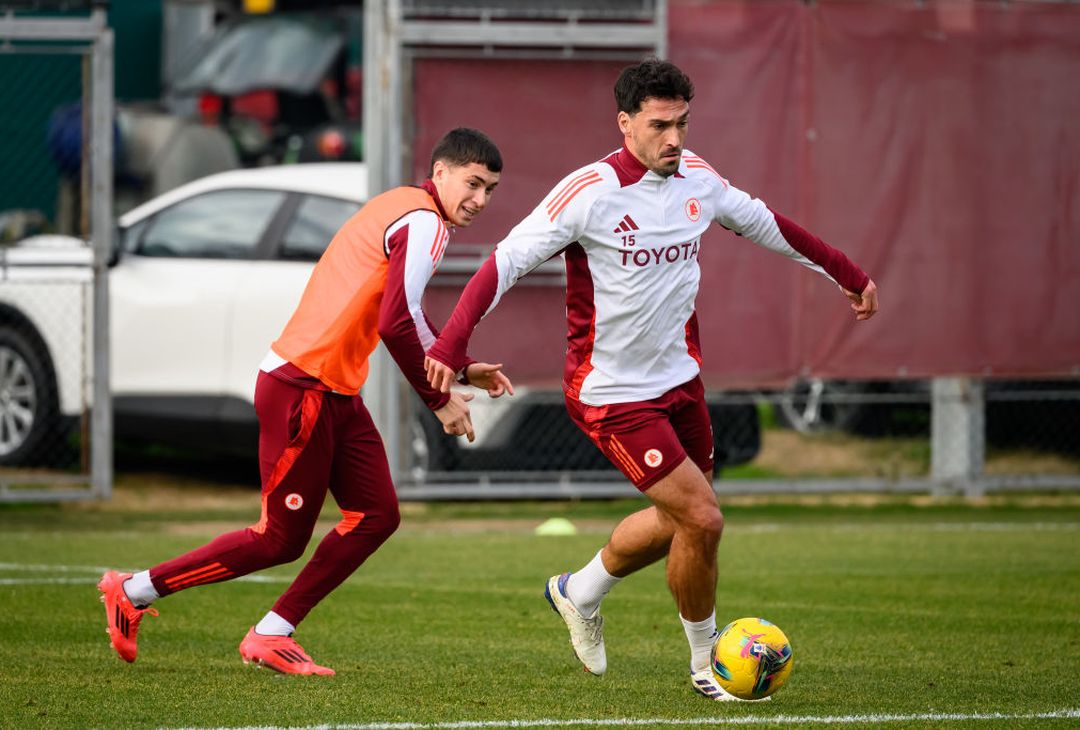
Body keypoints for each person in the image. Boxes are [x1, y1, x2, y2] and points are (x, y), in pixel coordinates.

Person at [424, 60, 878, 700]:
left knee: (684, 519)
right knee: (704, 519)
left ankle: (577, 590)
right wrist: (452, 340)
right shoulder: (589, 191)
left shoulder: (699, 179)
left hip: (680, 383)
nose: (675, 138)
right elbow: (505, 262)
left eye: (683, 123)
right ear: (626, 123)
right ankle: (706, 667)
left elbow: (772, 226)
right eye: (660, 125)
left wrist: (848, 274)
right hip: (609, 392)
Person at [98, 128, 513, 676]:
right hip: (303, 387)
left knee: (376, 515)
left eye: (490, 191)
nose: (480, 201)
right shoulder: (425, 220)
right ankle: (134, 590)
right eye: (473, 184)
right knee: (278, 539)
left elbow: (405, 313)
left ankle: (272, 632)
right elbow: (396, 321)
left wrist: (458, 365)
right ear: (440, 173)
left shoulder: (407, 206)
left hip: (334, 390)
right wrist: (439, 399)